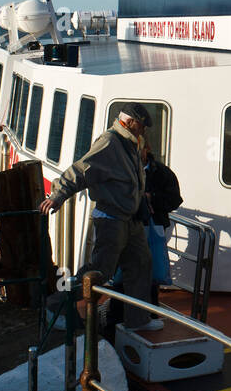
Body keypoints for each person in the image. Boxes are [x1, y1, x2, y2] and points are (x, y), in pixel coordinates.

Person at [40, 103, 156, 330]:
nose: (143, 131)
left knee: (142, 265)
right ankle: (55, 305)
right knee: (99, 272)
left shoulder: (130, 142)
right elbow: (81, 170)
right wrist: (59, 195)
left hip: (129, 220)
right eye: (141, 126)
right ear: (131, 122)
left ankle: (137, 320)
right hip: (111, 219)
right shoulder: (110, 142)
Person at [142, 143, 182, 310]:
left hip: (153, 227)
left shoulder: (162, 172)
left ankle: (150, 310)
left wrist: (152, 198)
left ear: (147, 149)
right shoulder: (124, 169)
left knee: (150, 269)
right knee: (127, 269)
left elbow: (175, 199)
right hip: (129, 226)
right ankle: (119, 312)